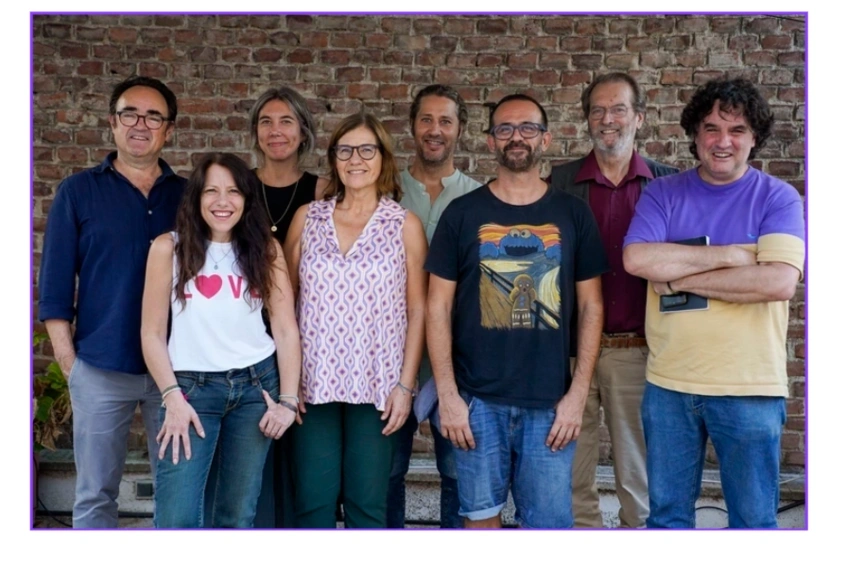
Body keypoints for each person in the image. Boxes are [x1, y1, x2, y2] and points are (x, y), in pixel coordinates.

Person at [623, 78, 805, 528]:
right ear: (695, 134)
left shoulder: (778, 197)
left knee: (753, 523)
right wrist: (732, 257)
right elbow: (638, 259)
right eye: (712, 129)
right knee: (666, 521)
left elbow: (778, 281)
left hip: (749, 389)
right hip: (669, 385)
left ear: (754, 137)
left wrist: (678, 277)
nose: (723, 141)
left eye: (737, 130)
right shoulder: (662, 193)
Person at [426, 94, 608, 528]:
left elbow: (592, 306)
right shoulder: (462, 213)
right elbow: (437, 306)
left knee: (548, 528)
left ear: (545, 139)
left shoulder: (573, 214)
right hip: (476, 402)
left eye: (528, 128)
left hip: (550, 405)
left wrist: (577, 397)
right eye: (505, 129)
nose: (516, 137)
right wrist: (448, 397)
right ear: (491, 141)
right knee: (480, 523)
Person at [37, 76, 185, 528]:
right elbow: (54, 285)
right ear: (112, 122)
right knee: (95, 495)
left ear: (169, 130)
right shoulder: (78, 191)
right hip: (100, 368)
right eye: (129, 113)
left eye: (153, 116)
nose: (140, 124)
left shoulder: (190, 196)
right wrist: (70, 364)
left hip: (176, 372)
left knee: (178, 494)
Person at [141, 152, 301, 528]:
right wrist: (172, 397)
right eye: (211, 191)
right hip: (189, 391)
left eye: (233, 191)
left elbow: (285, 328)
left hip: (255, 389)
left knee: (236, 515)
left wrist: (288, 401)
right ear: (196, 198)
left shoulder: (265, 249)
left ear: (246, 199)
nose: (222, 201)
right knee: (176, 518)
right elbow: (151, 332)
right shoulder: (169, 247)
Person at [284, 113, 428, 528]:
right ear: (333, 158)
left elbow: (418, 310)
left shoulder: (404, 224)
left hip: (378, 383)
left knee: (367, 506)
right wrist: (288, 384)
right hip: (313, 382)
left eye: (367, 149)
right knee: (313, 504)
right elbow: (284, 302)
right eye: (345, 150)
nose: (355, 159)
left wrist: (405, 386)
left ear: (383, 157)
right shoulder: (308, 218)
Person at [549, 72, 678, 528]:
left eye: (619, 109)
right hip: (568, 352)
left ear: (639, 117)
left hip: (639, 350)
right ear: (586, 119)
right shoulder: (559, 183)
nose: (608, 119)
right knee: (569, 468)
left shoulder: (667, 184)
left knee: (640, 477)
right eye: (598, 110)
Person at [387, 84, 481, 529]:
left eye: (445, 121)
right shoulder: (383, 191)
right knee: (386, 473)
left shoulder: (479, 197)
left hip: (457, 362)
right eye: (426, 119)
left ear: (460, 129)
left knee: (458, 474)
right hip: (389, 359)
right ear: (412, 126)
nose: (435, 129)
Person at [246, 86, 328, 528]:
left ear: (303, 131)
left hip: (309, 339)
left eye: (286, 121)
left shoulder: (325, 191)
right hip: (247, 339)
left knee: (301, 454)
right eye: (266, 122)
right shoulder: (236, 188)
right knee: (253, 453)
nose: (275, 131)